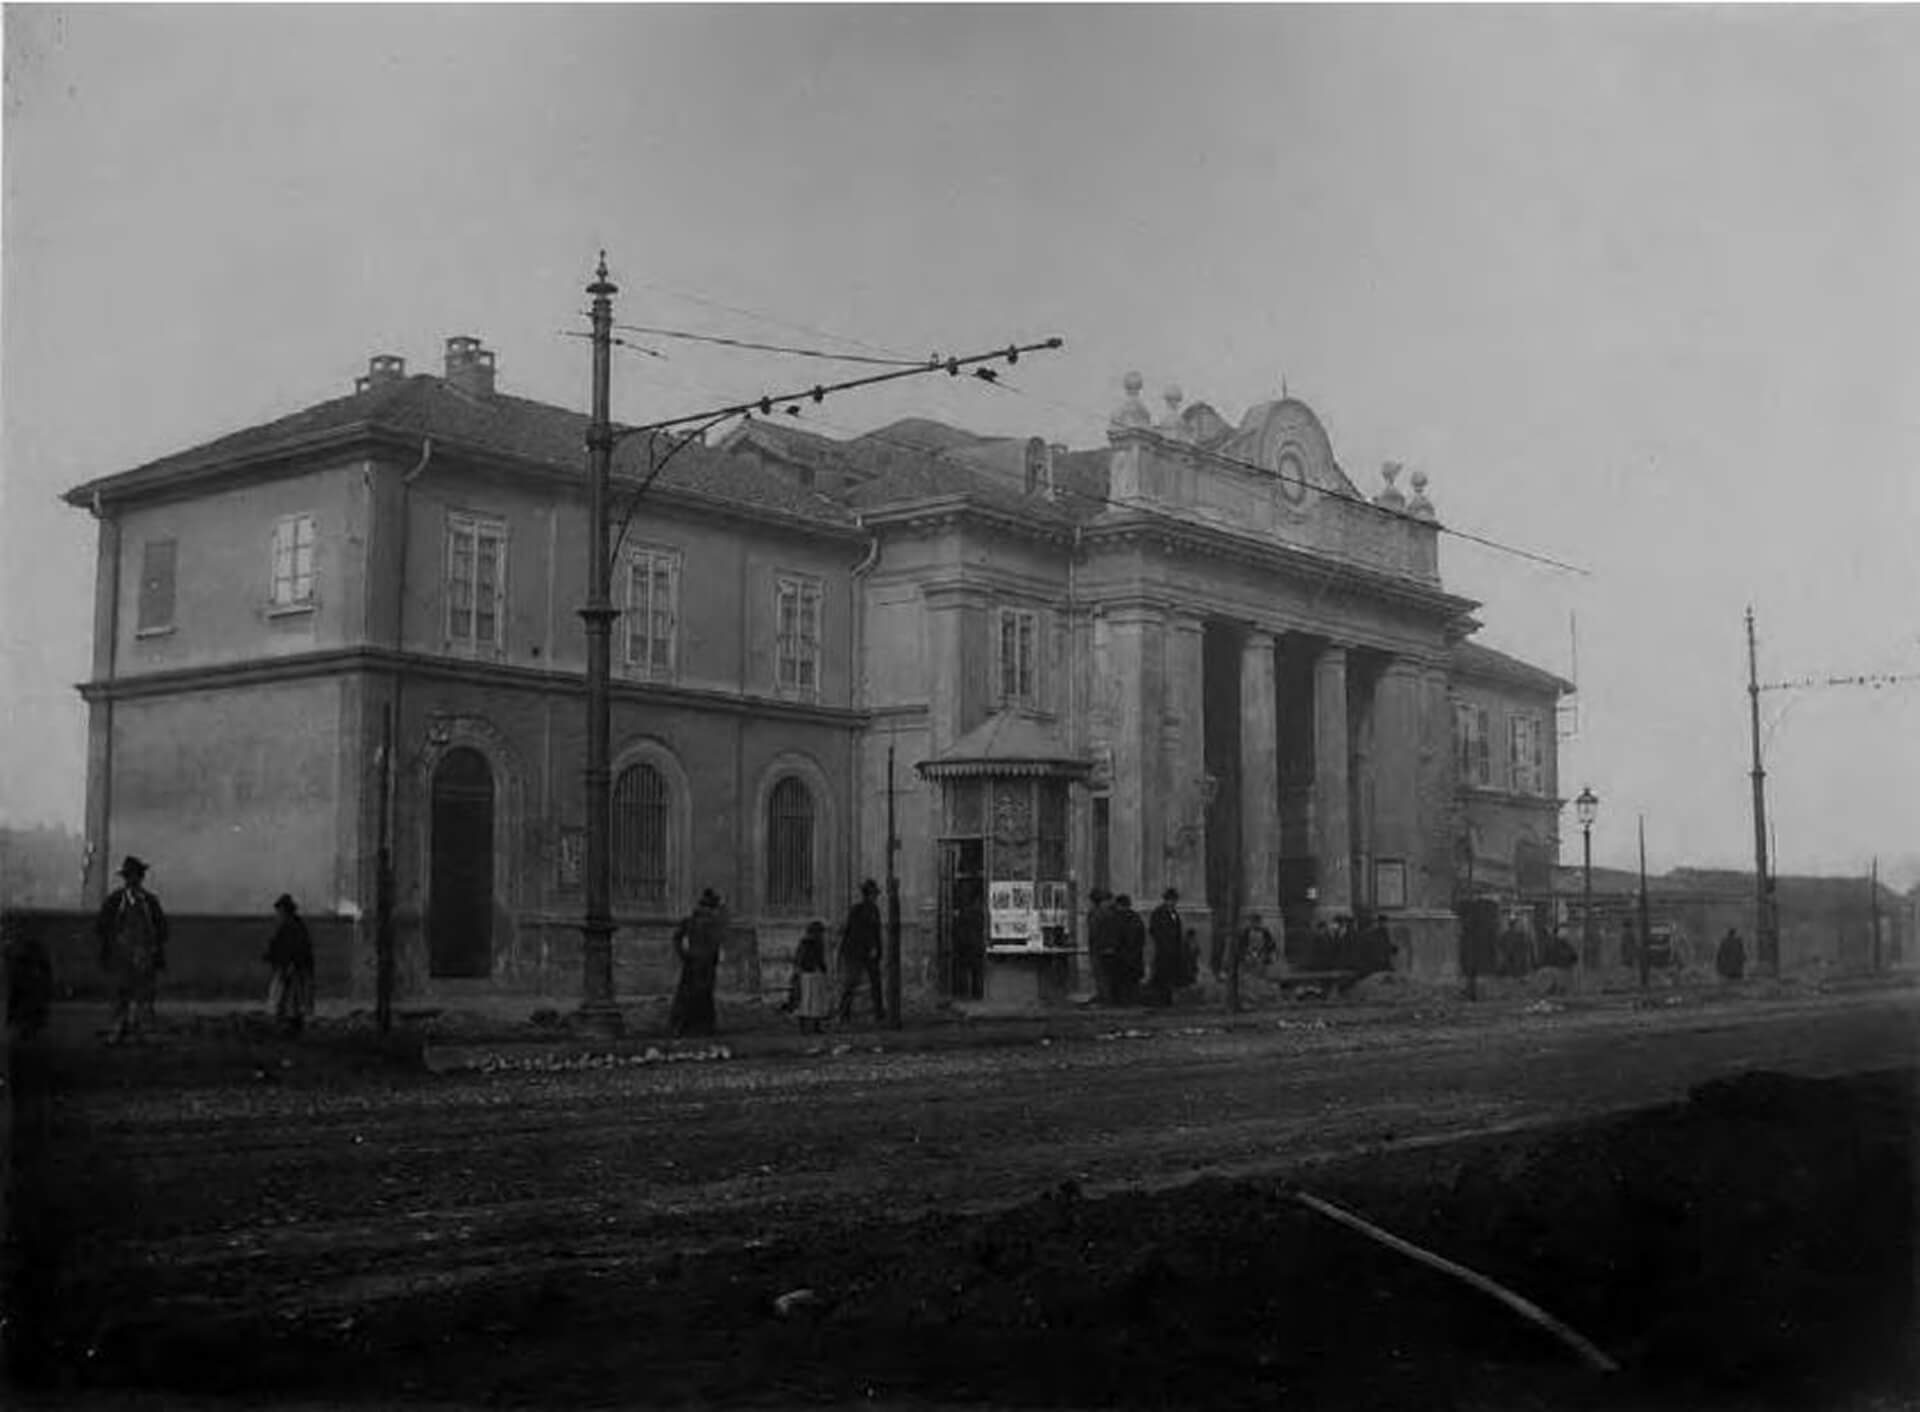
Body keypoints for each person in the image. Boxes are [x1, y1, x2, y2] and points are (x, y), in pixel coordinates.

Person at [94, 855, 167, 1044]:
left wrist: (152, 949)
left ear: (141, 878)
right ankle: (119, 1028)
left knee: (144, 994)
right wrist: (113, 945)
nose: (133, 880)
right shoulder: (115, 902)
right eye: (129, 876)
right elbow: (102, 927)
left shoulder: (150, 902)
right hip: (122, 956)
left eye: (136, 876)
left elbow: (161, 928)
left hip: (144, 955)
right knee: (121, 993)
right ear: (125, 879)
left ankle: (143, 1030)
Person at [669, 888, 726, 1037]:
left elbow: (677, 939)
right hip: (704, 965)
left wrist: (684, 955)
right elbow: (716, 945)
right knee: (703, 996)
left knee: (687, 996)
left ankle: (681, 1027)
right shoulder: (713, 923)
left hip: (692, 963)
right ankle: (701, 1028)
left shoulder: (690, 921)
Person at [263, 893, 316, 1036]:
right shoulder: (292, 926)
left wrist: (290, 964)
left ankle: (289, 1025)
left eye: (280, 911)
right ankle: (289, 1024)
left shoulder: (291, 927)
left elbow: (294, 949)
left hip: (294, 969)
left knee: (290, 998)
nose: (278, 914)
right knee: (287, 998)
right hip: (290, 968)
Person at [837, 879, 886, 1024]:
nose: (875, 897)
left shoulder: (868, 910)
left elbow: (874, 932)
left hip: (863, 952)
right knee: (852, 983)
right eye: (873, 894)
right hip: (858, 952)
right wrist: (873, 948)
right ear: (869, 895)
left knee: (872, 983)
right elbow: (859, 932)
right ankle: (845, 1013)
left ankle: (878, 1012)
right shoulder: (863, 910)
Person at [3, 916, 53, 1043]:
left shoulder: (30, 949)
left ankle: (26, 1027)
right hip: (25, 985)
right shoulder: (26, 949)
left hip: (27, 986)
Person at [1227, 910, 1276, 1014]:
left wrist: (1266, 956)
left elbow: (1271, 945)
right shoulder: (1247, 932)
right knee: (1247, 982)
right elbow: (1241, 946)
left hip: (1260, 959)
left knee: (1258, 982)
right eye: (1254, 921)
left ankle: (1257, 1002)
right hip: (1248, 959)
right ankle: (1248, 1003)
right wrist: (1245, 955)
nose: (1256, 923)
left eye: (1257, 921)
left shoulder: (1264, 932)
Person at [1144, 887, 1185, 1007]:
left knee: (1170, 976)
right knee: (1161, 976)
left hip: (1173, 951)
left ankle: (1167, 999)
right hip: (1162, 950)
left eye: (1174, 900)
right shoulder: (1159, 913)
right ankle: (1160, 1000)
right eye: (1171, 900)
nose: (1173, 903)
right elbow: (1154, 930)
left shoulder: (1174, 914)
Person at [792, 920, 833, 1034]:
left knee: (812, 1002)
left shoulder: (810, 943)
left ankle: (812, 1027)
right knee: (808, 1001)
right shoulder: (810, 943)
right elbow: (806, 959)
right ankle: (808, 1027)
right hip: (808, 974)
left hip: (811, 974)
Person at [1111, 894, 1146, 1006]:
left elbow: (1115, 937)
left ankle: (1123, 1002)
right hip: (1134, 954)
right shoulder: (1136, 918)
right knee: (1132, 982)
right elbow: (1141, 936)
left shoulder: (1116, 918)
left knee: (1121, 981)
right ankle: (1132, 1001)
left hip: (1121, 955)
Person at [1085, 889, 1117, 1004]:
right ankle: (1105, 997)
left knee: (1101, 974)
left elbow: (1095, 932)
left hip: (1099, 948)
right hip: (1106, 947)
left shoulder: (1098, 914)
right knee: (1104, 975)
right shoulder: (1110, 913)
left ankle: (1105, 997)